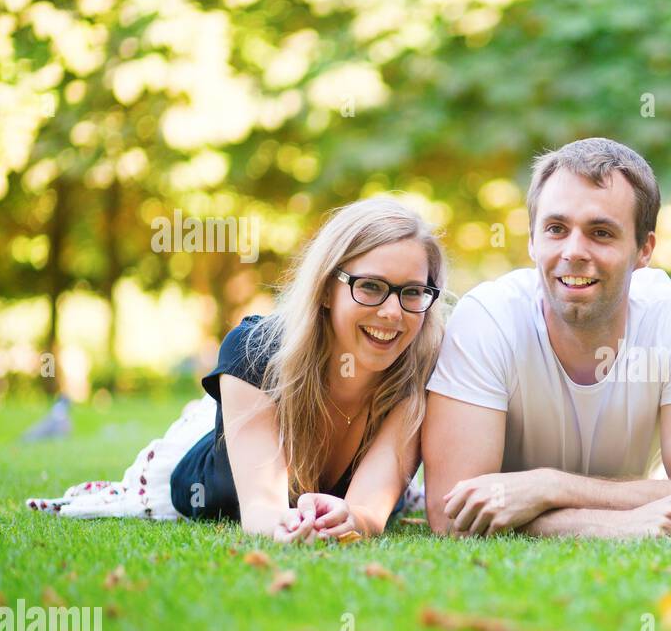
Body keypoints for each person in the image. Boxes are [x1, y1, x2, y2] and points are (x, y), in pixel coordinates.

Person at [27, 197, 448, 544]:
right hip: (220, 473)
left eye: (412, 292)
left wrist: (349, 518)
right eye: (371, 286)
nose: (393, 312)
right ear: (325, 290)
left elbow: (367, 511)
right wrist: (278, 525)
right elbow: (262, 509)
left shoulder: (420, 373)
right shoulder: (256, 353)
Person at [422, 137, 671, 538]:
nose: (574, 251)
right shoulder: (488, 317)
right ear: (532, 240)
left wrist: (548, 486)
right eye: (556, 229)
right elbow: (450, 513)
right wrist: (609, 524)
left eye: (601, 233)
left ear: (644, 250)